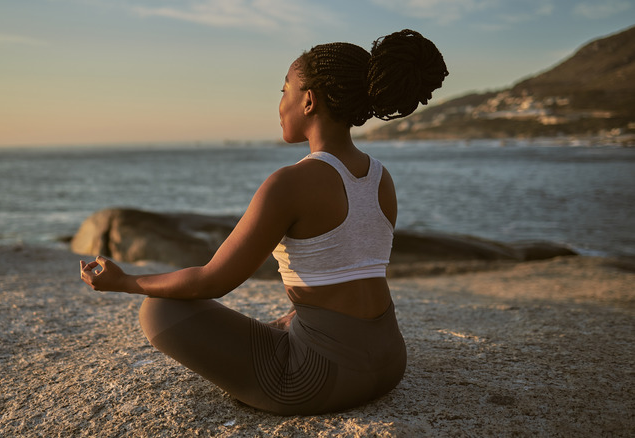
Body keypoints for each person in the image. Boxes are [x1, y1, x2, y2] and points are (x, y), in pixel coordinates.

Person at [80, 29, 448, 415]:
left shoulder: (290, 183)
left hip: (318, 381)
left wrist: (124, 282)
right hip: (390, 363)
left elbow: (212, 281)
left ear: (308, 100)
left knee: (158, 310)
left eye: (283, 89)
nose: (280, 102)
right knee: (284, 322)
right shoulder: (380, 178)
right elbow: (350, 271)